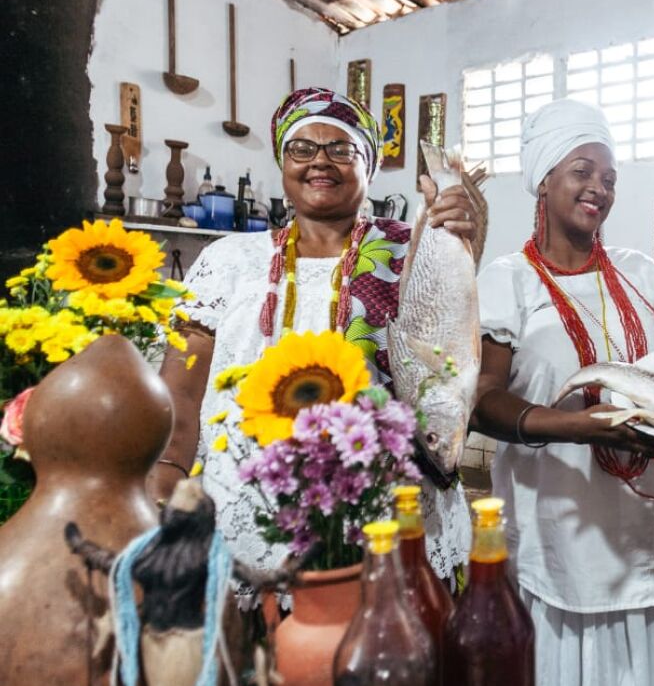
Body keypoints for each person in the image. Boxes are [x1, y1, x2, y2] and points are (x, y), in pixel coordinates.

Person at [471, 99, 654, 686]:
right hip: (567, 518)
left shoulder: (643, 275)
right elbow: (483, 401)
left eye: (610, 177)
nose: (599, 188)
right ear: (543, 179)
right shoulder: (508, 283)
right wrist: (577, 427)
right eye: (582, 170)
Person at [148, 87, 477, 600]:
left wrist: (468, 225)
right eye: (302, 148)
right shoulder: (227, 259)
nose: (320, 161)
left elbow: (452, 346)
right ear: (282, 162)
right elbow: (181, 391)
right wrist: (166, 473)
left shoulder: (408, 249)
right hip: (248, 509)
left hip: (386, 512)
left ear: (368, 165)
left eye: (341, 149)